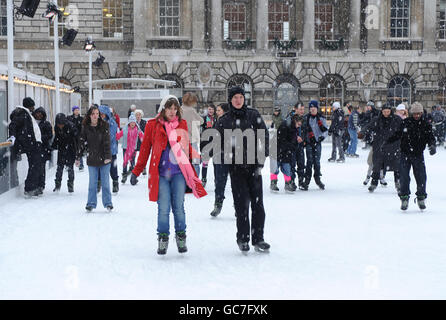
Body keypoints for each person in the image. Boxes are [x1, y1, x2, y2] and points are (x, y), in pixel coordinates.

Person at [131, 95, 207, 255]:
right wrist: (137, 171)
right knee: (163, 208)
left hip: (179, 173)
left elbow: (185, 147)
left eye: (175, 109)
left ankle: (181, 236)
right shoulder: (153, 125)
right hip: (161, 175)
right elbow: (145, 149)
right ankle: (163, 238)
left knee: (179, 207)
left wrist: (196, 158)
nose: (172, 112)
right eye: (169, 108)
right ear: (163, 109)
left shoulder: (182, 124)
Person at [214, 86, 270, 253]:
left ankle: (258, 238)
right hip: (236, 169)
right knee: (241, 205)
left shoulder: (253, 115)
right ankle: (243, 238)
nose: (238, 100)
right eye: (235, 97)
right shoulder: (224, 120)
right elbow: (216, 144)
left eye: (241, 97)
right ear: (230, 100)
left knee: (258, 205)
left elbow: (265, 136)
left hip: (254, 167)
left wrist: (262, 157)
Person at [386, 102, 436, 211]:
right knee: (404, 177)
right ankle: (404, 198)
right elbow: (397, 134)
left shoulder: (425, 124)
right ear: (412, 113)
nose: (417, 116)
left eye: (419, 113)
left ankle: (421, 197)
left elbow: (430, 137)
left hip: (418, 154)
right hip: (405, 154)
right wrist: (387, 141)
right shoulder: (406, 122)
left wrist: (432, 145)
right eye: (415, 114)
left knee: (421, 177)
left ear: (421, 113)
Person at [76, 105, 113, 212]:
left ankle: (108, 203)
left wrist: (107, 157)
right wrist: (78, 157)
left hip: (105, 158)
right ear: (89, 115)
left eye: (97, 114)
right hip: (92, 158)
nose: (95, 116)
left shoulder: (104, 125)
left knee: (105, 183)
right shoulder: (85, 127)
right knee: (92, 184)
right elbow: (81, 143)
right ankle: (91, 203)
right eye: (93, 114)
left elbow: (107, 142)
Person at [359, 103, 402, 193]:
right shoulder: (377, 120)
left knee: (397, 166)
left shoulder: (396, 120)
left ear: (391, 111)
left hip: (393, 146)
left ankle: (398, 183)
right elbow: (368, 126)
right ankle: (374, 183)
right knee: (377, 165)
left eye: (388, 111)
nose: (386, 113)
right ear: (382, 111)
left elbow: (404, 129)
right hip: (380, 146)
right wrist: (362, 132)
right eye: (384, 111)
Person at [7, 97, 42, 197]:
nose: (33, 108)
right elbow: (12, 125)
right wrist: (12, 136)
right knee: (34, 165)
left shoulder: (25, 114)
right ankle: (29, 189)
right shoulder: (22, 114)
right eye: (32, 106)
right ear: (29, 106)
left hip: (31, 143)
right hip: (29, 144)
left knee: (35, 165)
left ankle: (32, 187)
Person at [300, 100, 328, 191]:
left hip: (317, 143)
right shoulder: (305, 118)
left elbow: (325, 130)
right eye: (310, 107)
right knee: (309, 162)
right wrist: (304, 139)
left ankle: (318, 179)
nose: (312, 109)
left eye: (314, 107)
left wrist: (322, 137)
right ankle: (306, 181)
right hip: (309, 143)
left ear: (317, 108)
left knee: (317, 162)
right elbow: (303, 130)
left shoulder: (321, 118)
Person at [272, 114, 304, 193]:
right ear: (295, 121)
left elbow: (292, 140)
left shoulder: (294, 128)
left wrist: (296, 142)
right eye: (298, 124)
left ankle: (288, 184)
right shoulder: (285, 126)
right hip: (277, 149)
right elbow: (281, 140)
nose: (299, 126)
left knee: (287, 169)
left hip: (286, 151)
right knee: (275, 168)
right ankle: (273, 183)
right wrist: (291, 145)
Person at [210, 103, 230, 217]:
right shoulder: (217, 121)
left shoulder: (226, 121)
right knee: (219, 182)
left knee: (234, 183)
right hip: (220, 155)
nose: (216, 112)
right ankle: (218, 203)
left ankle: (237, 205)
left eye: (218, 110)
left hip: (229, 155)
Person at [51, 113, 78, 193]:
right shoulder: (57, 127)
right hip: (62, 149)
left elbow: (76, 139)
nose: (60, 126)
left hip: (70, 149)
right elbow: (57, 137)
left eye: (61, 125)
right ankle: (57, 185)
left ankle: (70, 185)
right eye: (59, 125)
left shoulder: (71, 126)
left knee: (70, 167)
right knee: (59, 168)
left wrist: (77, 150)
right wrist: (54, 145)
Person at [116, 113, 144, 184]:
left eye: (133, 122)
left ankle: (133, 177)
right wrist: (115, 136)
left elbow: (142, 137)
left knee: (132, 163)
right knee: (125, 162)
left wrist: (144, 141)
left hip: (133, 149)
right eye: (131, 122)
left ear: (135, 122)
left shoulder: (137, 129)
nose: (132, 124)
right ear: (129, 122)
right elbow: (118, 135)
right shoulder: (125, 129)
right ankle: (124, 176)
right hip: (125, 148)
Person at [180, 92, 203, 177]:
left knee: (183, 162)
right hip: (191, 139)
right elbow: (201, 121)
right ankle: (195, 180)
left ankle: (184, 180)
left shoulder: (179, 109)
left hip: (181, 140)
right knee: (195, 162)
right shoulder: (192, 111)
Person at [98, 105, 120, 194]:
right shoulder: (97, 123)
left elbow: (111, 136)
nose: (101, 115)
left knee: (112, 168)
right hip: (100, 150)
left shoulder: (112, 123)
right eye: (100, 114)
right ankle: (98, 183)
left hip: (111, 150)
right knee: (99, 167)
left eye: (102, 114)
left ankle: (115, 182)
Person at [33, 107, 53, 195]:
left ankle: (40, 186)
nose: (39, 115)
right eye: (38, 113)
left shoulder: (46, 124)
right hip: (34, 149)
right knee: (35, 168)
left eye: (41, 114)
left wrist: (39, 138)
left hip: (43, 149)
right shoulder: (31, 123)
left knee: (41, 168)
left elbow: (50, 135)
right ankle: (35, 185)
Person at [200, 104, 217, 188]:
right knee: (205, 163)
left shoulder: (217, 118)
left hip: (215, 144)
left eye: (212, 109)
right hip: (206, 144)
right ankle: (203, 179)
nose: (210, 111)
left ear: (214, 110)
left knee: (216, 164)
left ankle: (217, 180)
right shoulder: (204, 119)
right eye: (209, 109)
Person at [67, 106, 84, 171]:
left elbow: (83, 127)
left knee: (79, 150)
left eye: (78, 110)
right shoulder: (70, 118)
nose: (77, 111)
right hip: (71, 137)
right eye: (75, 110)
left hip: (79, 137)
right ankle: (69, 164)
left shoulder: (81, 119)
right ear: (73, 111)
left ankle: (81, 165)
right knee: (70, 151)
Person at [134, 109, 147, 175]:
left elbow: (146, 132)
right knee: (133, 155)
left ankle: (143, 168)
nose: (138, 116)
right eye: (136, 115)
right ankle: (134, 168)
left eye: (139, 115)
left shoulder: (144, 122)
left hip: (142, 141)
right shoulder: (133, 122)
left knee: (142, 156)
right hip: (135, 141)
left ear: (141, 115)